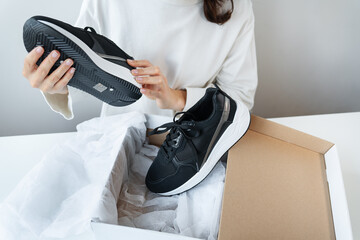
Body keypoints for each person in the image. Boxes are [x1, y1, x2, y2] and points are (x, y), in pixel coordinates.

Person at [22, 0, 258, 120]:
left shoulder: (236, 8)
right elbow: (82, 68)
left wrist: (178, 98)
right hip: (116, 141)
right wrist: (54, 85)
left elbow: (239, 99)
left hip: (194, 146)